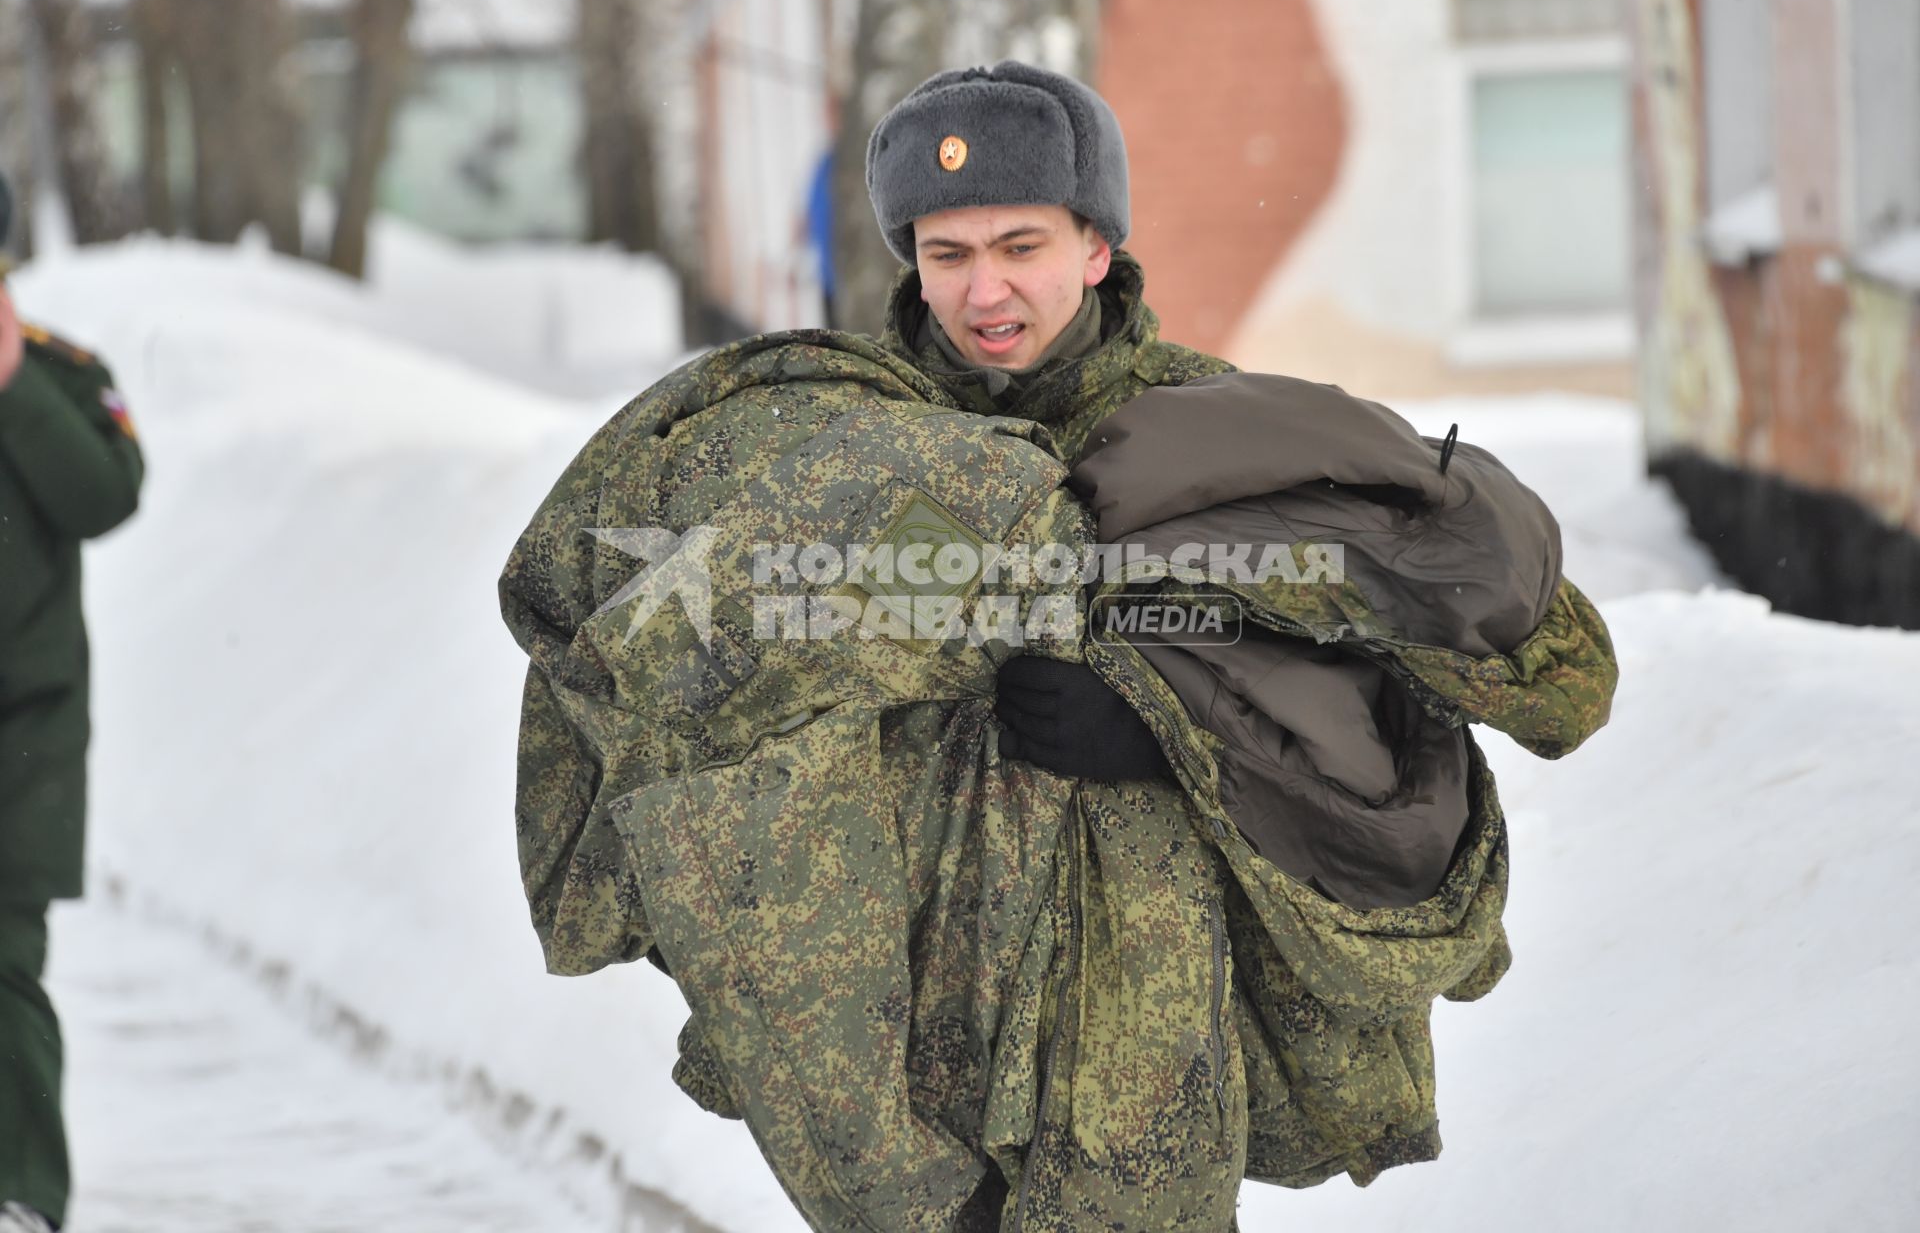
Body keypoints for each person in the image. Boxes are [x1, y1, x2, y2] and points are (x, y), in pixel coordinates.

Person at [501, 62, 1614, 1231]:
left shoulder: (1218, 441)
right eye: (947, 254)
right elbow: (706, 686)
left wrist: (1173, 725)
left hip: (1139, 1047)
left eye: (1020, 246)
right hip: (908, 1059)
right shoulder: (840, 448)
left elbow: (1459, 675)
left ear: (1096, 246)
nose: (984, 290)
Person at [0, 171, 145, 1233]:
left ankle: (21, 1194)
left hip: (25, 735)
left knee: (3, 967)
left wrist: (11, 383)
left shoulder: (59, 372)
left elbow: (105, 494)